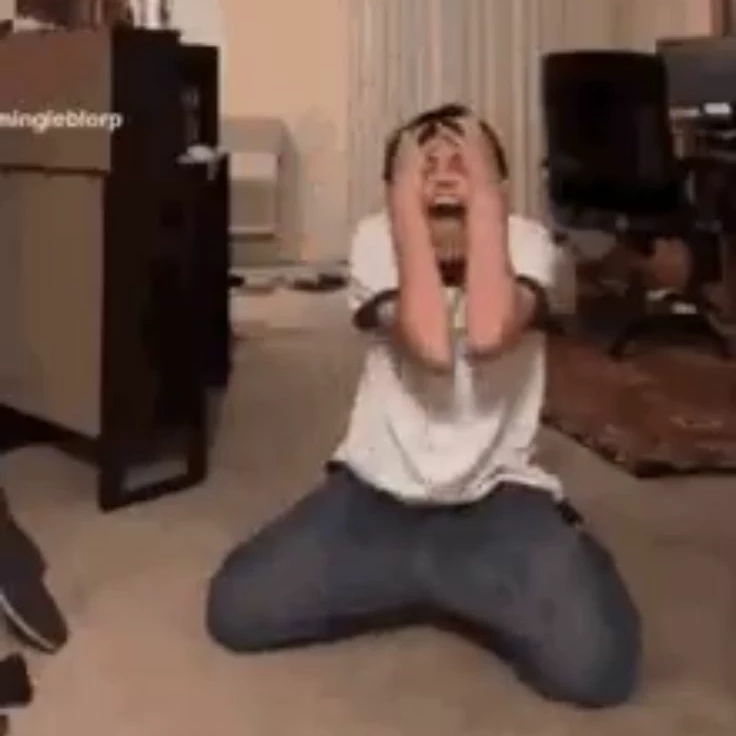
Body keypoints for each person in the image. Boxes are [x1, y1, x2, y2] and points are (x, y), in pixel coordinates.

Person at [205, 103, 642, 708]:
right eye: (423, 166)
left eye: (462, 162)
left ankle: (519, 555)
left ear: (496, 185)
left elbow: (487, 335)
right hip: (374, 494)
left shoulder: (525, 241)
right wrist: (404, 209)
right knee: (237, 610)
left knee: (598, 669)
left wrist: (486, 203)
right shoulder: (377, 238)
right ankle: (428, 578)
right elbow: (432, 345)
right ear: (396, 194)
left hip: (497, 498)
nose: (441, 176)